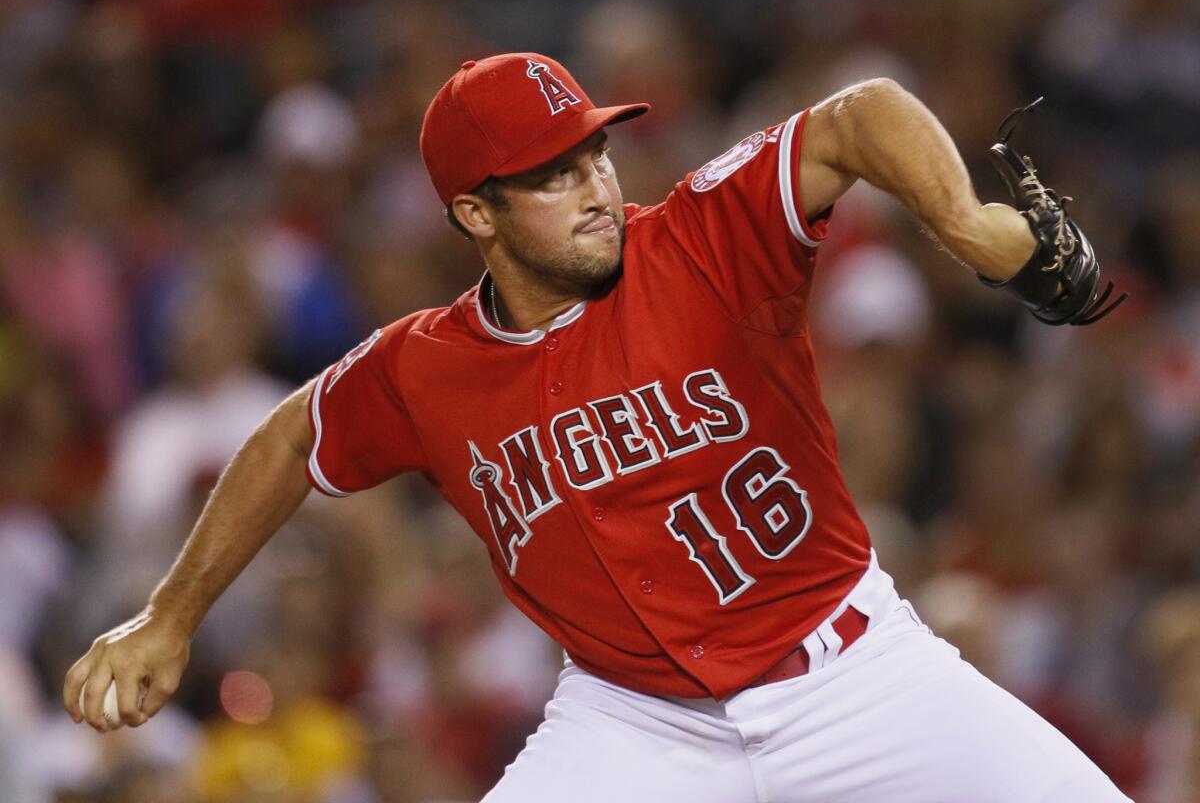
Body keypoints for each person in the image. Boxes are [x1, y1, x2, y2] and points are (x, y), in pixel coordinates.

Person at [64, 52, 1131, 802]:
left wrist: (965, 221)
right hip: (638, 725)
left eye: (595, 156)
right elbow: (295, 437)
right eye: (552, 176)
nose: (594, 190)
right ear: (474, 214)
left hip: (856, 676)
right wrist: (169, 615)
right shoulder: (423, 368)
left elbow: (860, 115)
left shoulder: (706, 236)